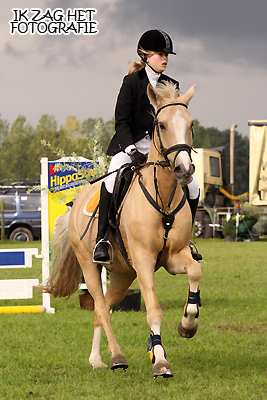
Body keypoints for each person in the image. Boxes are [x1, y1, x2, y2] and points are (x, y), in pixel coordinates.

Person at [93, 29, 202, 263]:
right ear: (145, 56)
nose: (165, 59)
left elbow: (175, 119)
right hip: (130, 146)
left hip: (161, 150)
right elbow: (121, 122)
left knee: (194, 188)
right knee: (112, 179)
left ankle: (185, 239)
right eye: (160, 54)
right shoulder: (131, 82)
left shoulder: (172, 84)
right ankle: (101, 240)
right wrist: (131, 151)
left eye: (167, 55)